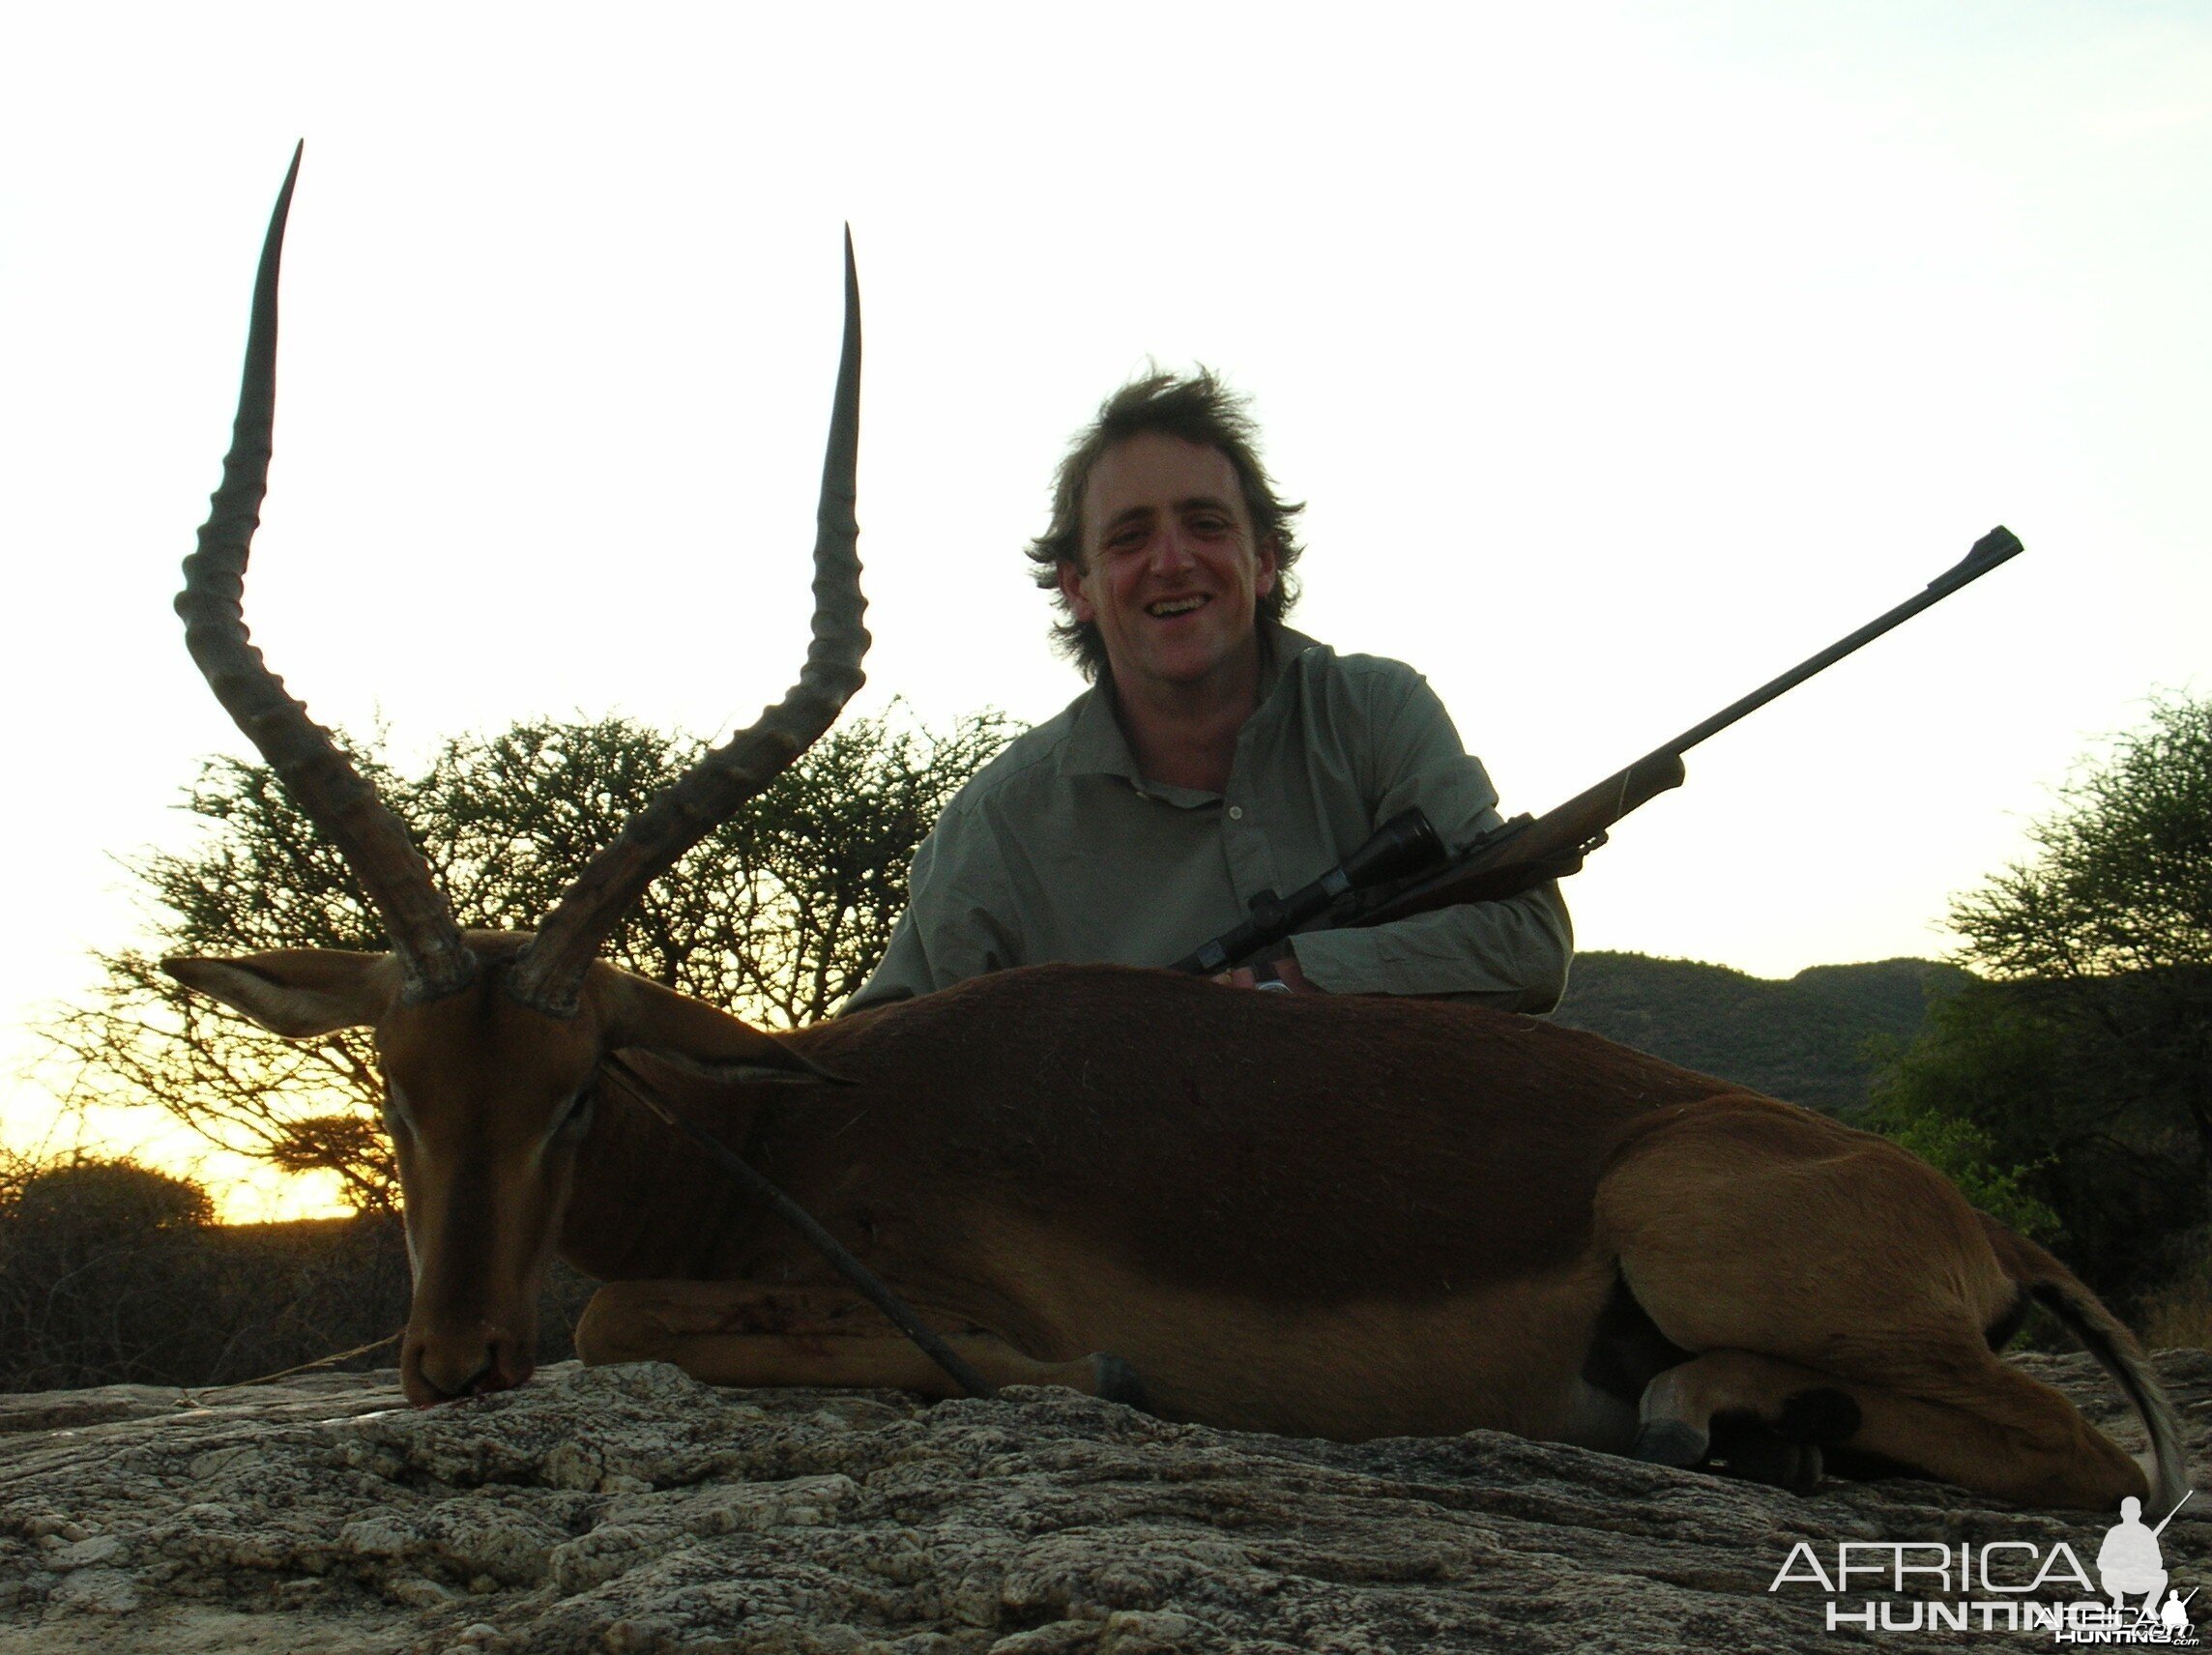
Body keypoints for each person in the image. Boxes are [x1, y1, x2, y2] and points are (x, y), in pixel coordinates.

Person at [847, 371, 1571, 1011]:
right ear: (1078, 587)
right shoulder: (997, 824)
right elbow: (878, 1054)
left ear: (1263, 559)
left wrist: (1293, 981)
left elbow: (1526, 939)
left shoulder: (1378, 710)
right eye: (1129, 538)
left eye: (1206, 524)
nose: (1171, 561)